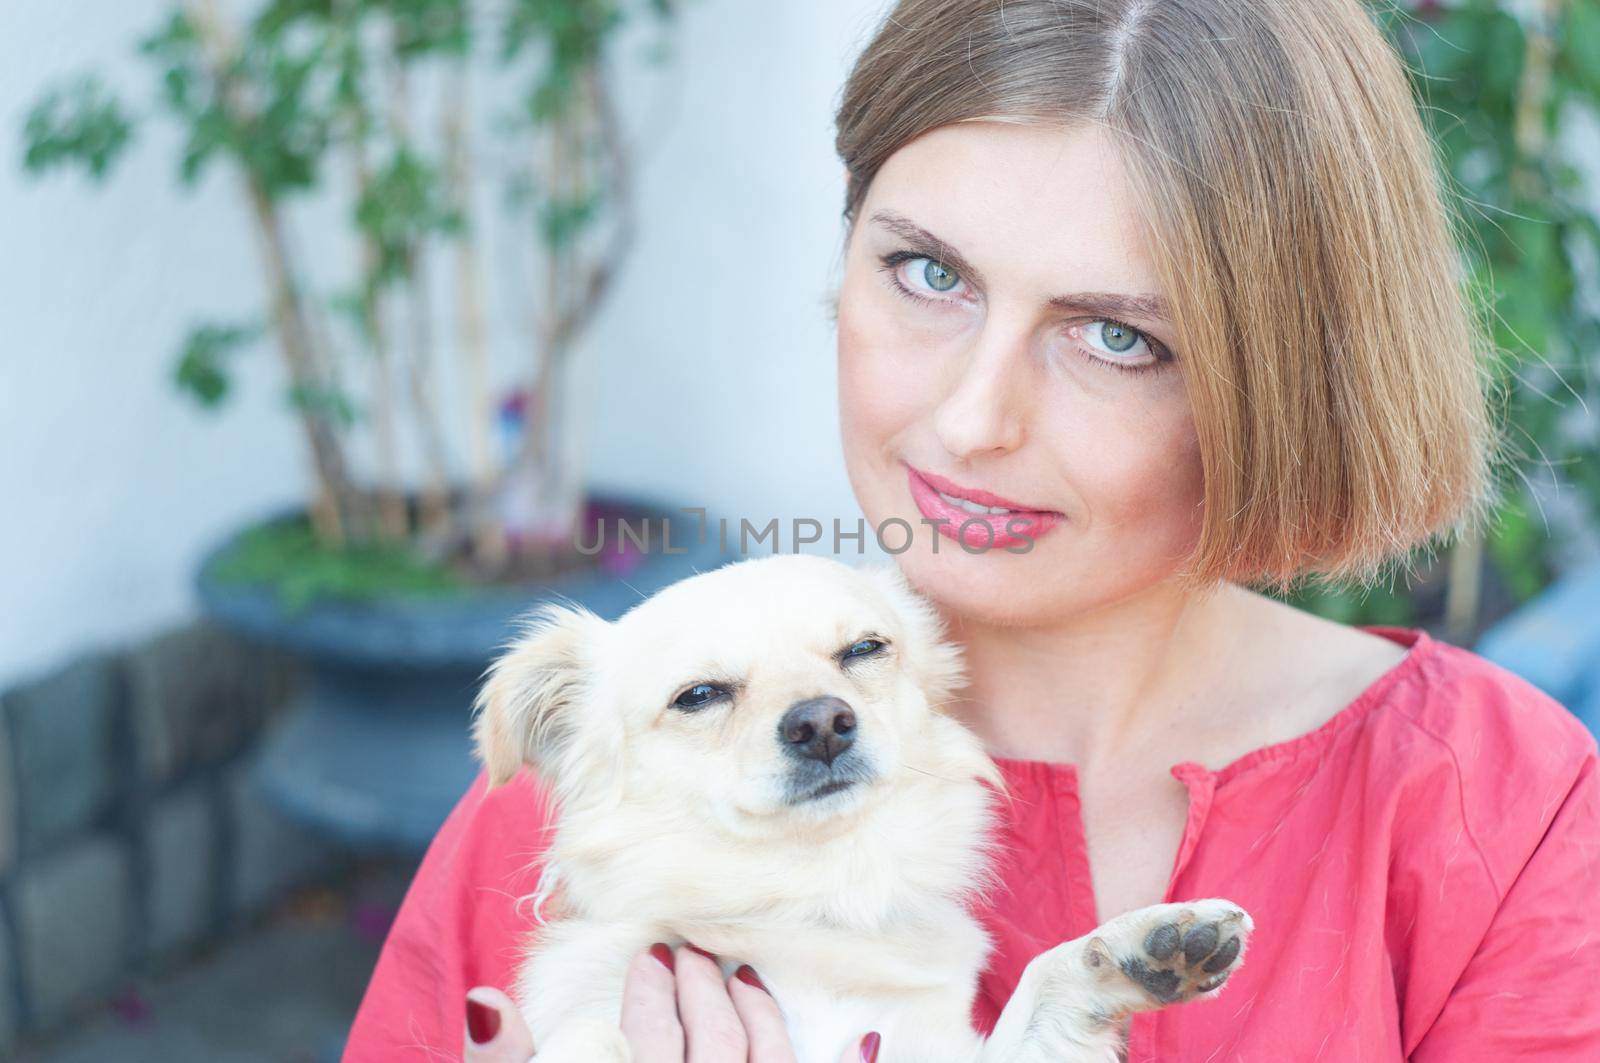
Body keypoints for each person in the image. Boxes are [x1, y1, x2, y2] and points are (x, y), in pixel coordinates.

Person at [343, 1, 1600, 1060]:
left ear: (1289, 386)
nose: (969, 416)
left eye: (1115, 336)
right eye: (927, 274)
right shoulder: (614, 780)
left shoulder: (1492, 813)